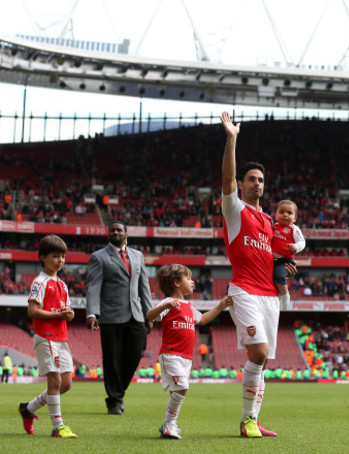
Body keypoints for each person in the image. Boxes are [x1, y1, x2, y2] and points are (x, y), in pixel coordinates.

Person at [219, 111, 296, 438]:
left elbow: (276, 254)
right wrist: (232, 138)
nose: (257, 183)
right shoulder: (235, 209)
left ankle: (250, 419)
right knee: (260, 353)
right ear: (241, 184)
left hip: (269, 295)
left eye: (261, 180)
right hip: (244, 290)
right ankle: (247, 420)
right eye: (251, 179)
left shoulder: (270, 222)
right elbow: (226, 179)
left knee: (262, 362)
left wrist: (285, 268)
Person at [146, 264, 233, 439]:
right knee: (183, 387)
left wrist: (221, 306)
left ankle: (170, 425)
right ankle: (169, 424)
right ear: (177, 282)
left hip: (186, 358)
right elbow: (149, 316)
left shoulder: (189, 306)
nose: (192, 282)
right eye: (188, 278)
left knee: (176, 391)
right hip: (170, 354)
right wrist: (165, 307)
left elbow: (203, 320)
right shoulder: (168, 302)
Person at [85, 221, 154, 415]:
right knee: (112, 360)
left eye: (119, 230)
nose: (115, 232)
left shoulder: (137, 256)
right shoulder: (98, 257)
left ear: (126, 234)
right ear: (109, 234)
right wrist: (92, 313)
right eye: (112, 230)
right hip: (110, 316)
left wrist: (149, 313)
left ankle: (118, 392)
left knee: (136, 353)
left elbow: (144, 287)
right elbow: (93, 287)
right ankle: (114, 400)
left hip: (136, 314)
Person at [18, 234, 77, 438]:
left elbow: (64, 309)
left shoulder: (62, 285)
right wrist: (59, 314)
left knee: (66, 384)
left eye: (62, 256)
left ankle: (28, 408)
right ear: (42, 257)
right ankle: (57, 426)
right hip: (46, 336)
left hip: (61, 338)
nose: (60, 260)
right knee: (55, 382)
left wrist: (69, 314)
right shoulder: (40, 282)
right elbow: (32, 311)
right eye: (55, 256)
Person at [271, 200, 305, 308]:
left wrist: (296, 247)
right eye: (281, 212)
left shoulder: (294, 229)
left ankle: (285, 296)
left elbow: (302, 242)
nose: (285, 214)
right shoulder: (273, 227)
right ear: (276, 215)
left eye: (289, 213)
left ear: (295, 218)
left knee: (279, 275)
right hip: (271, 259)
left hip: (285, 261)